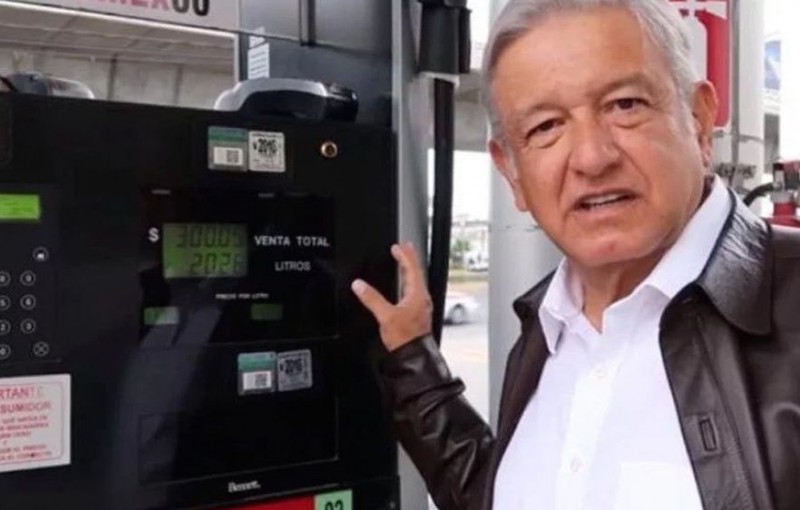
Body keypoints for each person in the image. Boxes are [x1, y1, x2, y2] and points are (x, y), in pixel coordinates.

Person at [351, 0, 800, 509]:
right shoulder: (546, 326)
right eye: (545, 127)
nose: (592, 157)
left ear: (698, 121)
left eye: (625, 105)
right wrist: (413, 360)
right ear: (512, 172)